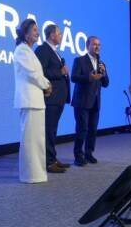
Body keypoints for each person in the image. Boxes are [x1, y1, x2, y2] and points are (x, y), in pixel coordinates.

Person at [13, 19, 51, 183]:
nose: (37, 33)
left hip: (36, 101)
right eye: (34, 30)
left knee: (36, 140)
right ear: (26, 32)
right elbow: (31, 74)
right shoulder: (21, 50)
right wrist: (47, 84)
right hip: (29, 101)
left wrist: (45, 85)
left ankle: (37, 174)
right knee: (30, 141)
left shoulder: (29, 51)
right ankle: (30, 175)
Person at [35, 23, 70, 174]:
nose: (61, 36)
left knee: (53, 130)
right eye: (59, 33)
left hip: (59, 98)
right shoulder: (43, 49)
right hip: (51, 98)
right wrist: (60, 72)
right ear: (51, 35)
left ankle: (53, 158)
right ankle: (49, 163)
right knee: (49, 130)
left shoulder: (55, 51)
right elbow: (41, 72)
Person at [71, 35, 109, 166]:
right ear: (88, 46)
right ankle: (78, 156)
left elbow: (106, 83)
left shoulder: (101, 63)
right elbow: (74, 77)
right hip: (82, 101)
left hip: (96, 101)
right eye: (94, 44)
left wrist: (103, 74)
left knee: (93, 129)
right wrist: (89, 77)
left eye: (99, 45)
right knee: (82, 129)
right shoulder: (79, 60)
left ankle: (89, 153)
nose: (97, 47)